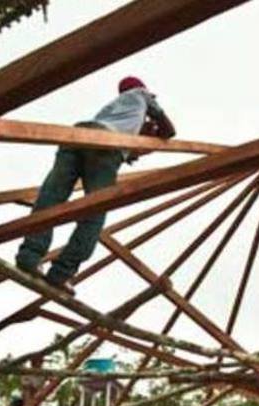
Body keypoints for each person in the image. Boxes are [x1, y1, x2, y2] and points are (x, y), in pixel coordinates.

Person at [15, 76, 176, 294]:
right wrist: (153, 131)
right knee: (94, 213)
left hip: (78, 135)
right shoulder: (141, 95)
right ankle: (61, 272)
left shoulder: (115, 109)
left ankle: (29, 256)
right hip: (106, 146)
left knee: (51, 197)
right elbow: (169, 131)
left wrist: (132, 149)